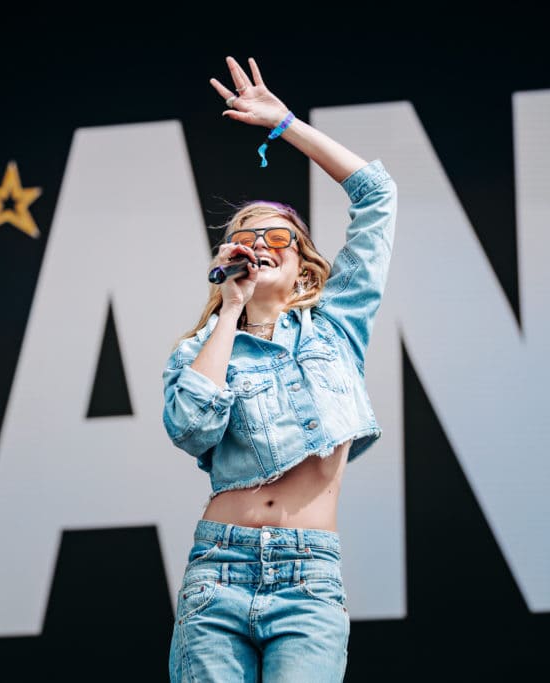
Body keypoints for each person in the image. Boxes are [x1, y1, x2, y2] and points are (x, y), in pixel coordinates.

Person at [162, 55, 397, 682]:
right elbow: (191, 429)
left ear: (307, 268)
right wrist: (231, 309)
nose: (261, 246)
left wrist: (284, 122)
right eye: (247, 239)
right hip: (218, 571)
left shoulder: (336, 328)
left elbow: (378, 196)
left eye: (279, 239)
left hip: (308, 577)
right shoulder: (200, 350)